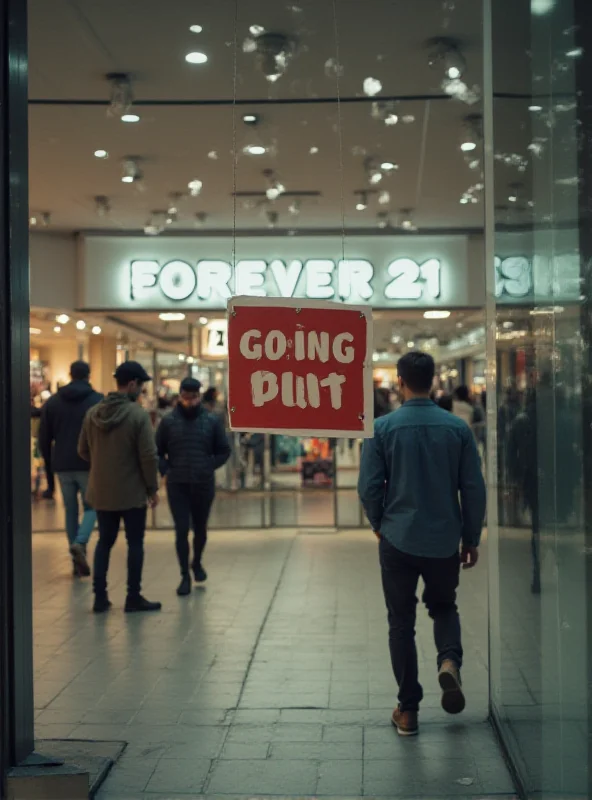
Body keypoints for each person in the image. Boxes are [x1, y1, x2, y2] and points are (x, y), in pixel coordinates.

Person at [358, 352, 486, 737]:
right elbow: (474, 488)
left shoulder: (382, 428)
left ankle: (409, 710)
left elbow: (368, 487)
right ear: (432, 381)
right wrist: (470, 537)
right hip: (444, 540)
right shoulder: (457, 429)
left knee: (401, 623)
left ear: (400, 381)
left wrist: (380, 522)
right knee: (444, 606)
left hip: (397, 539)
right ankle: (448, 662)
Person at [78, 361, 161, 614]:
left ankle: (100, 598)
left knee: (104, 541)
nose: (142, 391)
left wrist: (103, 464)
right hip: (132, 492)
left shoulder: (93, 413)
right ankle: (133, 597)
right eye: (142, 385)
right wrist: (152, 488)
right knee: (135, 543)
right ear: (133, 384)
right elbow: (148, 456)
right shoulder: (137, 415)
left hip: (101, 491)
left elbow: (82, 450)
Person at [156, 378, 231, 596]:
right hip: (177, 484)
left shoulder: (211, 421)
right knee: (181, 530)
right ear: (180, 396)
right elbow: (157, 450)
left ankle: (196, 562)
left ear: (199, 396)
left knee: (200, 529)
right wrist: (166, 470)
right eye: (186, 397)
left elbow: (224, 450)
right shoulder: (169, 422)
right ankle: (184, 575)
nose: (190, 402)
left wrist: (209, 466)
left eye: (194, 397)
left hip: (202, 483)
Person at [38, 361, 103, 576]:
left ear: (70, 374)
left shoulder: (53, 402)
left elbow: (44, 439)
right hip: (88, 462)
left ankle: (76, 561)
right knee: (93, 507)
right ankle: (81, 543)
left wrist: (48, 473)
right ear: (88, 376)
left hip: (62, 464)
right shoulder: (97, 401)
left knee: (70, 511)